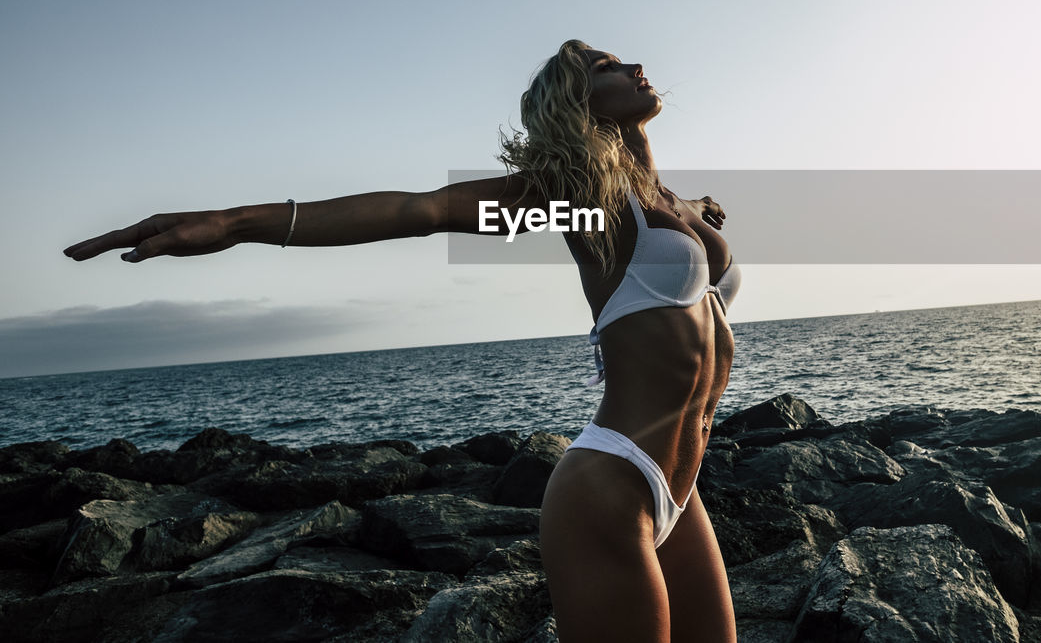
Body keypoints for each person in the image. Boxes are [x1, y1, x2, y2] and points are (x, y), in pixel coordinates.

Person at [63, 39, 741, 642]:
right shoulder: (581, 199)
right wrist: (236, 222)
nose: (633, 66)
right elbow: (418, 210)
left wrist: (703, 217)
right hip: (613, 484)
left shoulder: (675, 202)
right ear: (578, 102)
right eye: (606, 66)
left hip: (684, 487)